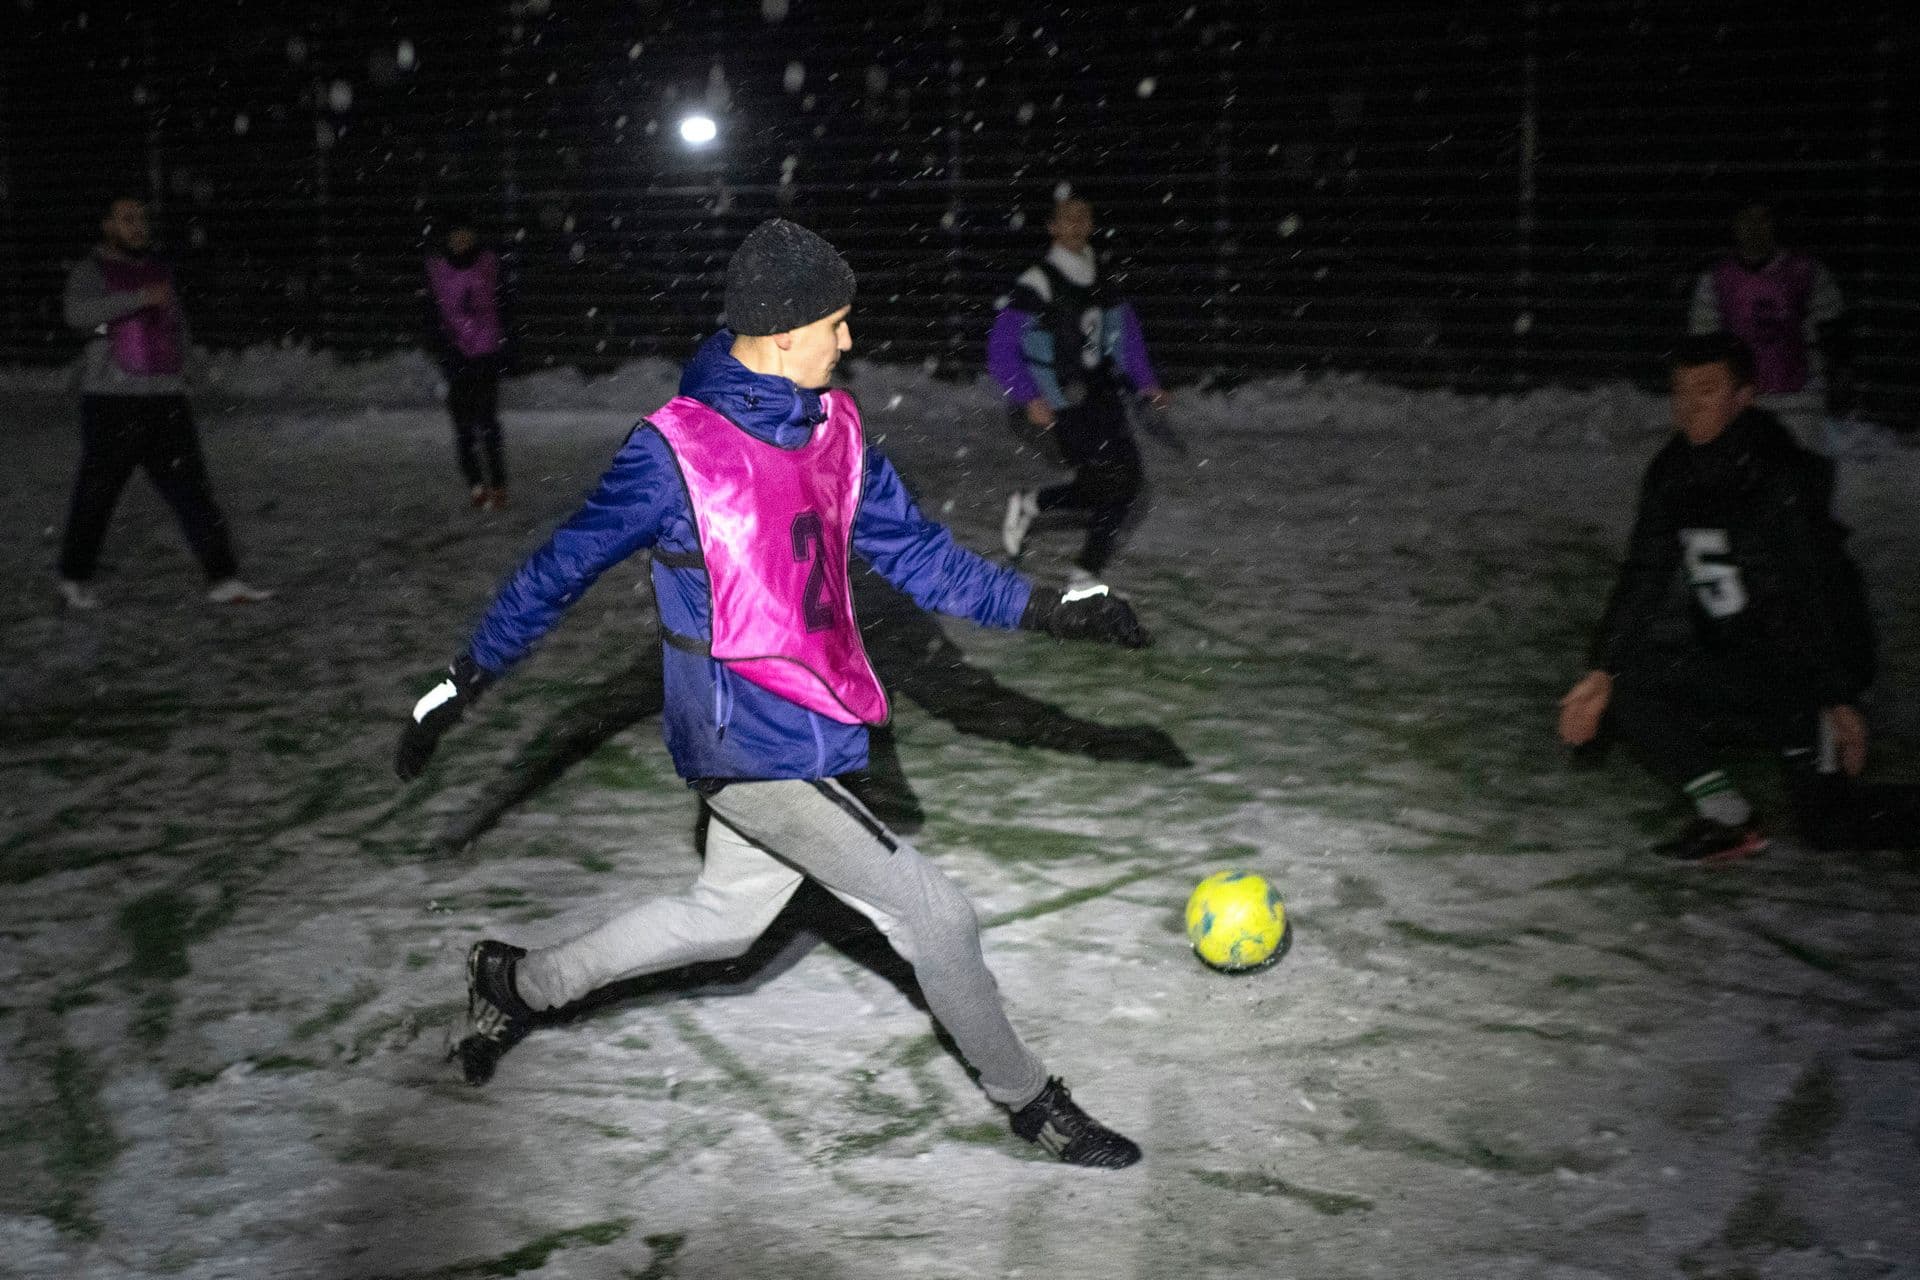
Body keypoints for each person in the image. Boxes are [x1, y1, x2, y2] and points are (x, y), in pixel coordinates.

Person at [395, 218, 1152, 1168]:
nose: (849, 341)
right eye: (836, 325)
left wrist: (1049, 609)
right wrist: (462, 679)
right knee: (935, 917)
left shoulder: (835, 430)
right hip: (744, 744)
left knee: (724, 919)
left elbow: (923, 559)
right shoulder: (676, 451)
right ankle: (1033, 1103)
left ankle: (517, 983)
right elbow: (556, 571)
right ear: (784, 332)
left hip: (815, 722)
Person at [1557, 332, 1876, 863]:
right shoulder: (1672, 471)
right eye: (1680, 391)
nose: (1688, 406)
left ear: (1742, 397)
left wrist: (1837, 695)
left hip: (1801, 671)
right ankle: (1728, 819)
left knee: (1832, 828)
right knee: (1628, 684)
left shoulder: (1778, 472)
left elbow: (1816, 590)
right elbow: (1644, 574)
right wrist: (1601, 668)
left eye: (1707, 391)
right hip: (1737, 661)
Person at [56, 194, 272, 610]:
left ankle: (224, 578)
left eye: (141, 218)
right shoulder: (91, 271)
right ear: (107, 226)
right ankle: (74, 577)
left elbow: (174, 325)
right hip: (114, 402)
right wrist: (139, 298)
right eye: (127, 219)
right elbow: (77, 315)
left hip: (166, 398)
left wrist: (189, 366)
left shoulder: (158, 270)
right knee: (97, 494)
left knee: (193, 491)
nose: (138, 226)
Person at [986, 195, 1171, 589]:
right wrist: (1028, 395)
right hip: (1060, 400)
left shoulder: (1103, 278)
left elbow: (1125, 335)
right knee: (1120, 481)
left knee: (1110, 484)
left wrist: (1146, 381)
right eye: (1066, 218)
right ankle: (1084, 573)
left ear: (1091, 224)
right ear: (1052, 227)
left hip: (1101, 395)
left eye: (1083, 216)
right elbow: (1000, 347)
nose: (1076, 224)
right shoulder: (1038, 282)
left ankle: (1032, 505)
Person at [1687, 198, 1846, 453]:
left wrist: (1836, 378)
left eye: (1762, 219)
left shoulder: (1806, 273)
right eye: (1746, 219)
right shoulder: (1715, 281)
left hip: (1798, 402)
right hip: (1741, 404)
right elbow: (1703, 345)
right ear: (1734, 225)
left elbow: (1833, 333)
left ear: (1775, 223)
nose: (1754, 228)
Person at [424, 213, 510, 509]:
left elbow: (503, 304)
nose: (461, 241)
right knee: (463, 426)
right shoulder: (438, 270)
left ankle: (497, 482)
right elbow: (431, 312)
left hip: (485, 353)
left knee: (487, 422)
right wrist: (441, 342)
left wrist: (503, 341)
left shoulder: (489, 265)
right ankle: (476, 484)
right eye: (455, 236)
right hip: (455, 354)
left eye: (465, 235)